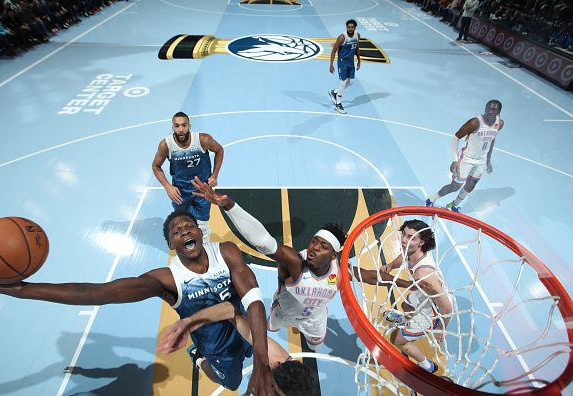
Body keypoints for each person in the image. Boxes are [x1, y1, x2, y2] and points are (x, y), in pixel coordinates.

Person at [0, 211, 281, 395]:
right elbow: (95, 293)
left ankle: (241, 353)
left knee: (274, 363)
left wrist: (260, 358)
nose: (185, 231)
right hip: (214, 347)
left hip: (244, 326)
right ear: (171, 245)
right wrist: (21, 290)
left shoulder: (226, 252)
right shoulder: (167, 279)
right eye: (177, 231)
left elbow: (253, 300)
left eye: (189, 226)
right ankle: (198, 357)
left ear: (200, 233)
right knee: (229, 384)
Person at [191, 177, 413, 351]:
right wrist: (229, 204)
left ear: (333, 255)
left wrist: (410, 285)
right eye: (314, 241)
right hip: (284, 312)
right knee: (271, 327)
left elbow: (375, 276)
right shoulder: (296, 262)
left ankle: (307, 334)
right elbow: (262, 241)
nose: (315, 247)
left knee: (315, 343)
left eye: (323, 246)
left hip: (315, 318)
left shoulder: (340, 269)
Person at [157, 300, 314, 395]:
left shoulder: (291, 389)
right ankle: (198, 358)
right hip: (230, 319)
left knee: (246, 348)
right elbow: (229, 310)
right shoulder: (272, 355)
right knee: (231, 383)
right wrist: (190, 321)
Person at [381, 220, 453, 373]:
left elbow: (446, 307)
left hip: (435, 311)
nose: (404, 240)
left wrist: (441, 329)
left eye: (411, 237)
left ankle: (426, 365)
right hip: (425, 296)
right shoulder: (413, 251)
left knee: (397, 340)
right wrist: (391, 266)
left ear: (422, 242)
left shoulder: (424, 274)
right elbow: (403, 257)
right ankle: (405, 320)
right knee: (405, 306)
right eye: (404, 235)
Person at [152, 111, 224, 243]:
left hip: (202, 190)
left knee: (203, 225)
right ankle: (186, 247)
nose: (181, 129)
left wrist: (214, 175)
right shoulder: (166, 145)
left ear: (189, 126)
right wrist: (168, 187)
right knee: (183, 222)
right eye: (177, 126)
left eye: (184, 125)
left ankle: (205, 248)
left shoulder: (203, 140)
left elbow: (219, 150)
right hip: (180, 192)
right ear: (172, 127)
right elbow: (156, 166)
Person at [426, 100, 504, 212]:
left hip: (481, 160)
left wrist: (488, 159)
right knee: (455, 186)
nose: (491, 111)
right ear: (485, 109)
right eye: (489, 108)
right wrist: (454, 160)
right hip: (467, 158)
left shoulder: (500, 123)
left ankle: (454, 205)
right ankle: (431, 198)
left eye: (494, 109)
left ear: (499, 111)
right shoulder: (475, 122)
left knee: (471, 185)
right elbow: (455, 138)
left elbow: (492, 140)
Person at [328, 19, 361, 115]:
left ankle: (334, 92)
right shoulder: (342, 37)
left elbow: (357, 48)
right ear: (346, 27)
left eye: (352, 27)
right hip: (342, 62)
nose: (350, 29)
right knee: (343, 81)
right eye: (348, 27)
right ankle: (338, 104)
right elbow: (334, 50)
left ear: (355, 27)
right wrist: (331, 64)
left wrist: (359, 60)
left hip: (351, 62)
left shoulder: (357, 35)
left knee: (351, 82)